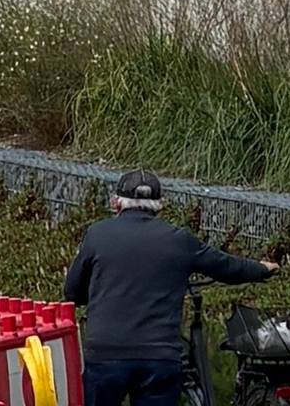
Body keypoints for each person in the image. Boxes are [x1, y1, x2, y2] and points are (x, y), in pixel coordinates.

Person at [63, 171, 277, 406]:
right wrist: (261, 269)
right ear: (160, 206)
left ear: (116, 203)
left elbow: (72, 292)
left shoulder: (97, 234)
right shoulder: (179, 240)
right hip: (159, 356)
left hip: (105, 353)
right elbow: (226, 266)